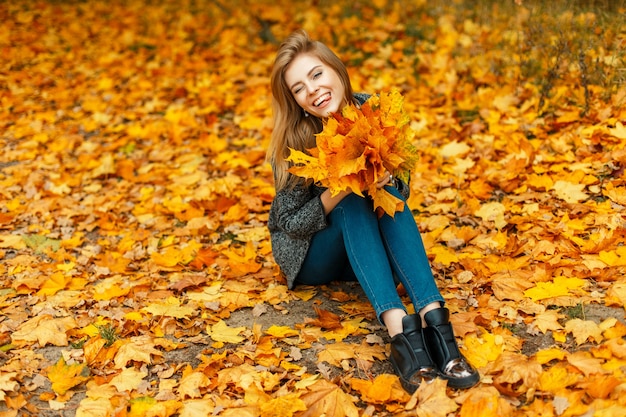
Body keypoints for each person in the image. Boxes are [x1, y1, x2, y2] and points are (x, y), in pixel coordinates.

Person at [266, 29, 479, 393]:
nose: (312, 90)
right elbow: (287, 225)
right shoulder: (295, 140)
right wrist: (339, 186)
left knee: (389, 195)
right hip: (311, 255)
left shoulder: (374, 110)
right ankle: (402, 335)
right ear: (296, 101)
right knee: (350, 197)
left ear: (336, 70)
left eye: (316, 74)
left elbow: (405, 183)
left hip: (362, 251)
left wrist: (386, 176)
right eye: (298, 88)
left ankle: (437, 326)